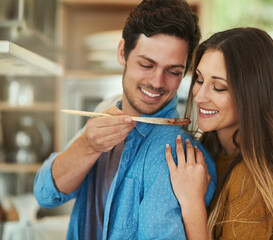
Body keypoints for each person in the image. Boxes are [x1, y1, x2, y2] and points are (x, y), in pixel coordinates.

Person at [33, 0, 217, 239]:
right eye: (146, 64)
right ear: (122, 52)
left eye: (173, 72)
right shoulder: (106, 108)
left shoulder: (175, 156)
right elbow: (45, 194)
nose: (157, 82)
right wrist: (88, 146)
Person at [165, 27, 273, 240]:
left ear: (252, 95)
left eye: (219, 87)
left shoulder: (251, 180)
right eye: (199, 79)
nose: (200, 96)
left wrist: (192, 204)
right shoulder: (209, 152)